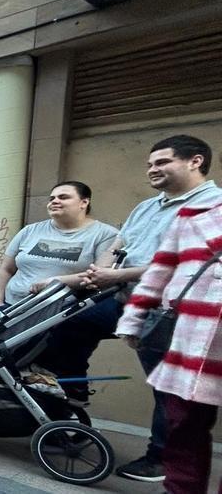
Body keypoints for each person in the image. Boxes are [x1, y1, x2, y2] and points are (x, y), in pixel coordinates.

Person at [40, 135, 221, 482]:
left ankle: (160, 460)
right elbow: (120, 243)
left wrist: (116, 274)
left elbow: (185, 262)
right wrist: (98, 272)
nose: (152, 169)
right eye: (150, 164)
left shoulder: (213, 206)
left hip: (172, 311)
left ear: (195, 161)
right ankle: (72, 398)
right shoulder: (147, 206)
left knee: (167, 388)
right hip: (123, 298)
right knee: (64, 324)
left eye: (162, 162)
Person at [116, 201, 222, 494]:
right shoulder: (192, 218)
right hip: (188, 337)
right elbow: (158, 274)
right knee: (184, 423)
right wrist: (134, 322)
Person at [0, 182, 118, 306]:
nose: (54, 201)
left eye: (63, 197)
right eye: (51, 198)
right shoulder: (29, 230)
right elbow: (6, 269)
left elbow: (99, 276)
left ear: (84, 203)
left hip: (61, 314)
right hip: (10, 308)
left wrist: (55, 282)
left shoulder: (106, 234)